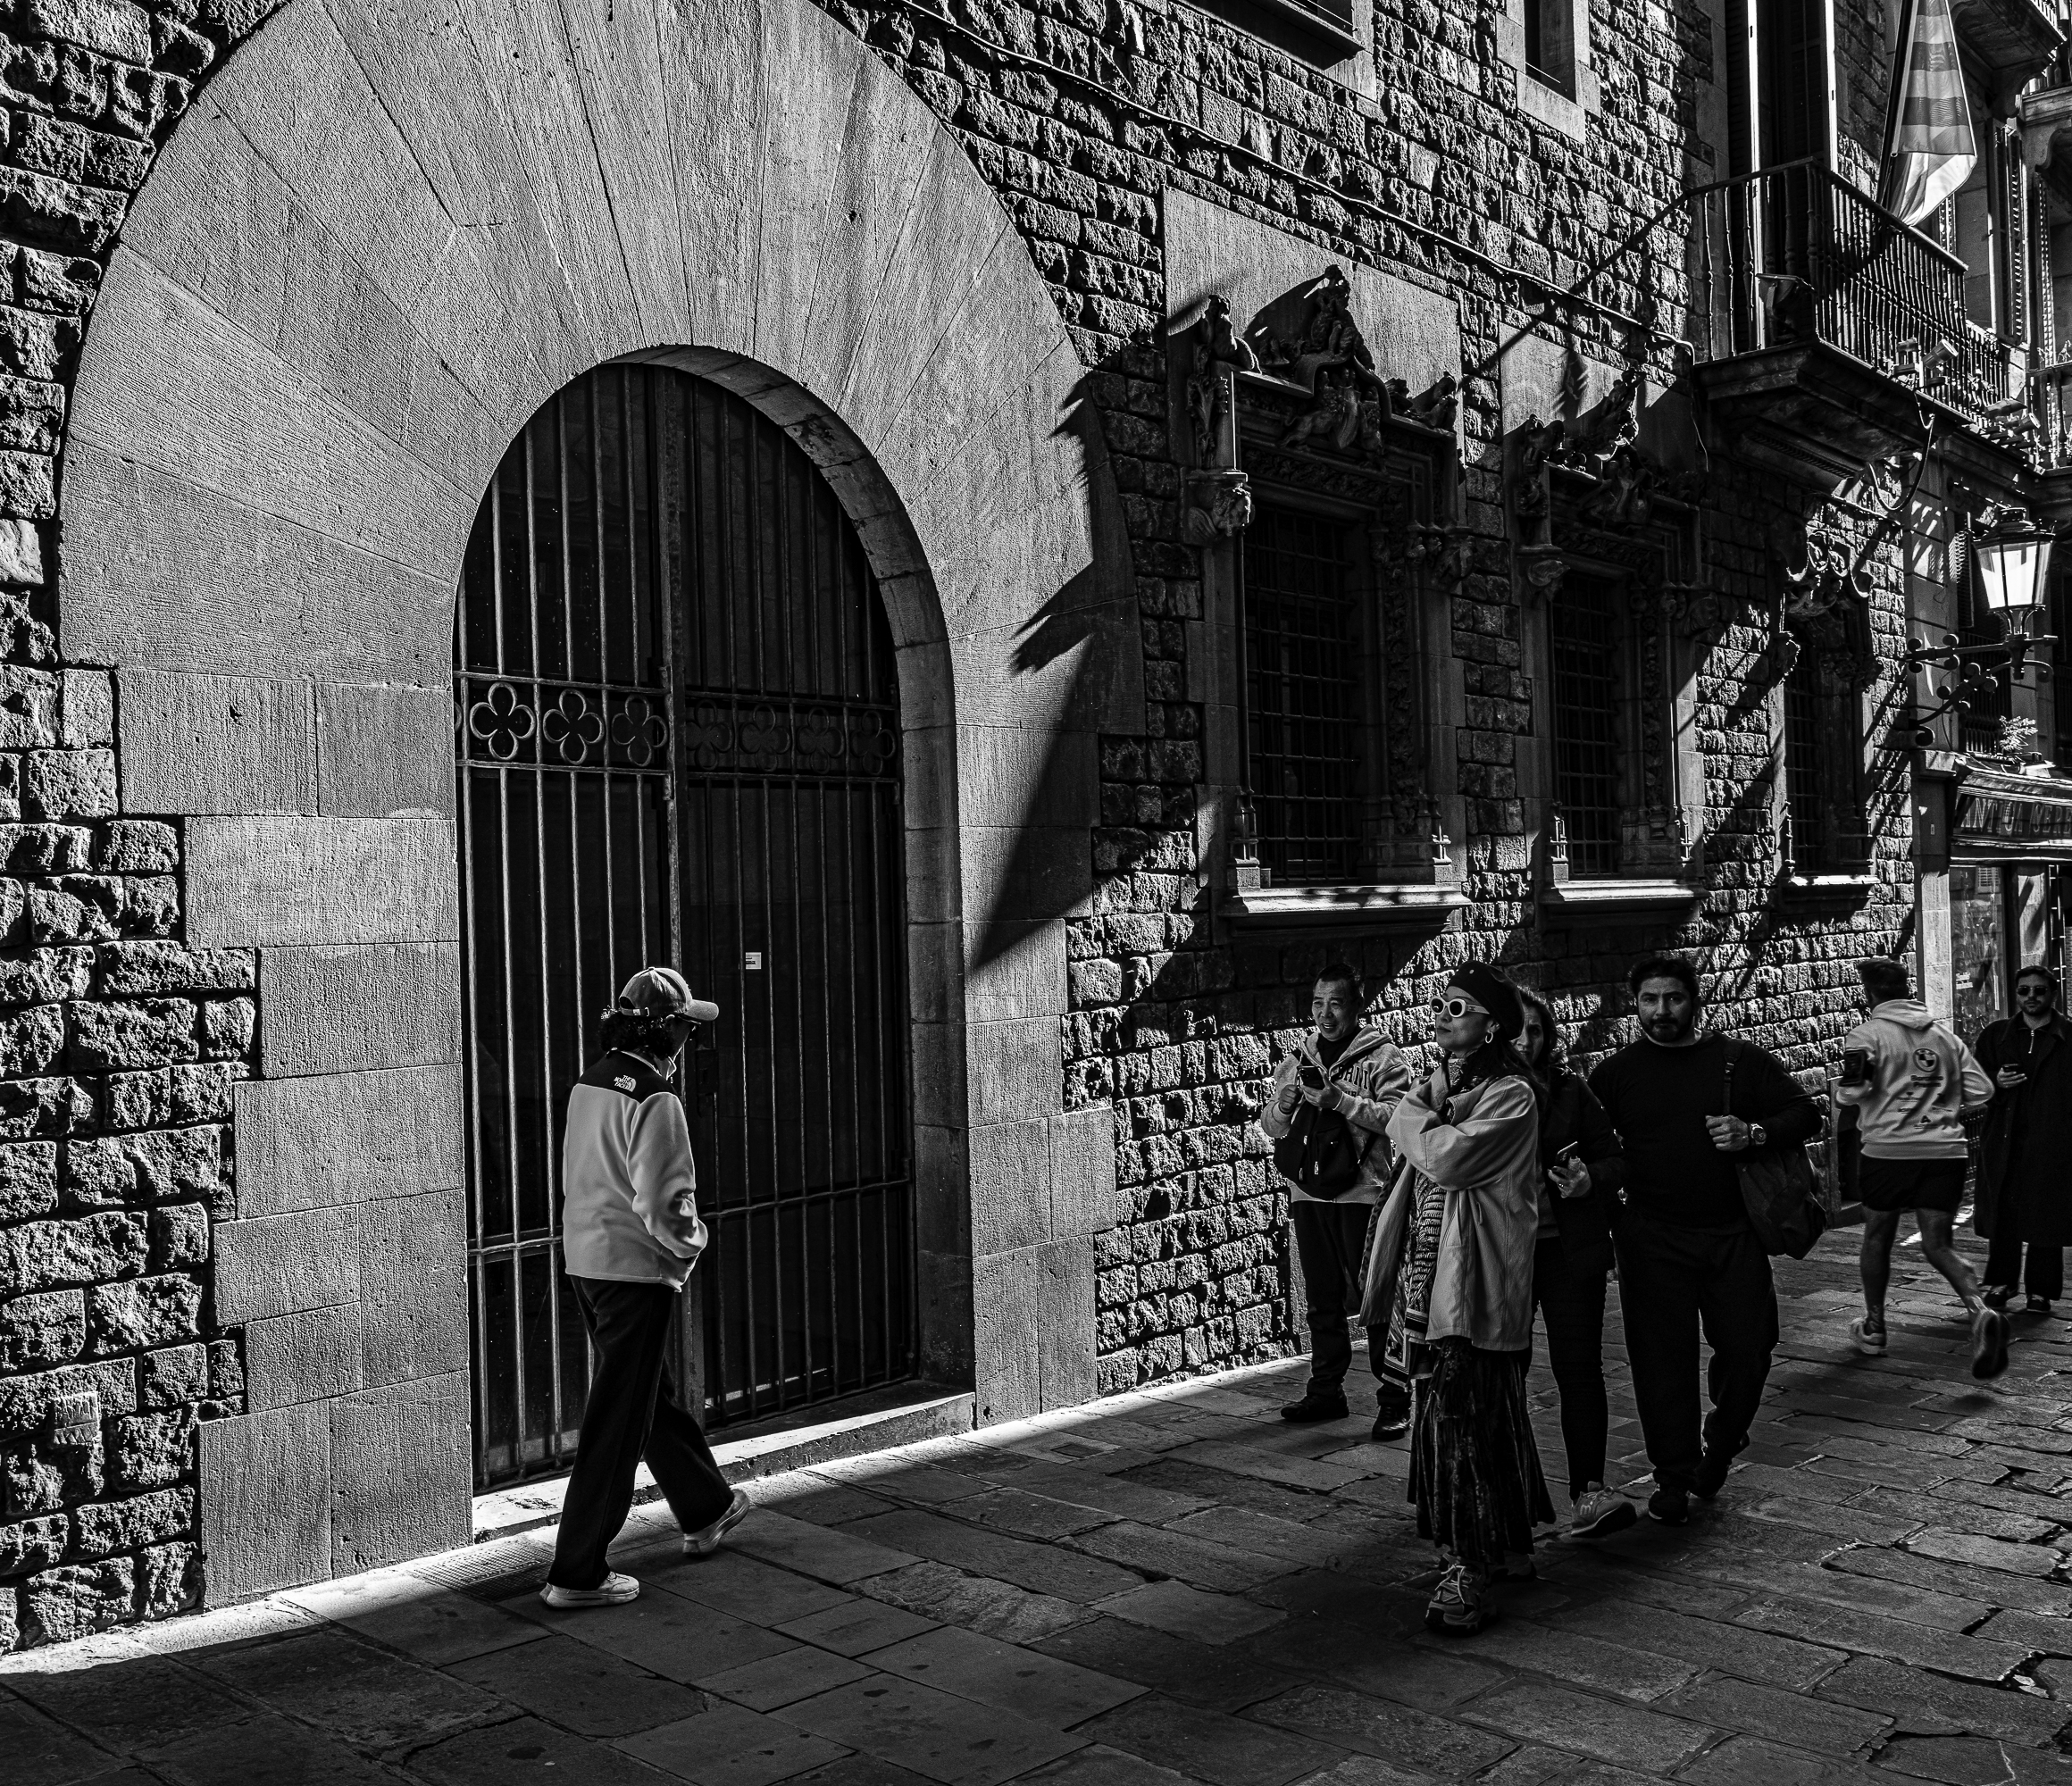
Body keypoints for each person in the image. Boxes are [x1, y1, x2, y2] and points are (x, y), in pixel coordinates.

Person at [540, 967, 750, 1610]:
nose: (690, 1038)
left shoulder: (591, 1081)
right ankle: (576, 1571)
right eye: (686, 1027)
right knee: (618, 1422)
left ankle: (705, 1506)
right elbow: (664, 1201)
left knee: (644, 1396)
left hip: (587, 1262)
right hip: (635, 1271)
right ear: (664, 1032)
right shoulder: (656, 1099)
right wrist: (691, 1245)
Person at [1588, 954, 1818, 1528]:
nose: (1661, 1010)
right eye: (1650, 1000)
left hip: (1732, 1236)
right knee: (1660, 1363)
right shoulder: (1616, 1074)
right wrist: (1610, 1215)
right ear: (1635, 1004)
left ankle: (1722, 1439)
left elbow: (1805, 1113)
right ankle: (1673, 1476)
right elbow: (1594, 1150)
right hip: (1651, 1239)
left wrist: (1753, 1133)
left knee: (1749, 1349)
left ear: (1695, 1001)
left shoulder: (1738, 1061)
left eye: (1673, 998)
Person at [1359, 963, 1550, 1636]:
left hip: (1475, 1286)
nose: (1442, 1015)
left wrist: (1412, 1111)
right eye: (1442, 1004)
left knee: (1463, 1423)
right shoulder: (1448, 1088)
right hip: (1434, 1280)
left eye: (1459, 1007)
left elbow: (1445, 1157)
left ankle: (1468, 1566)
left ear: (1492, 1026)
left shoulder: (1511, 1097)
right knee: (1478, 1417)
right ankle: (1506, 1545)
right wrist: (1426, 1104)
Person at [1258, 962, 1412, 1436]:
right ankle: (1326, 1391)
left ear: (1357, 1006)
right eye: (1318, 1003)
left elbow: (1399, 1121)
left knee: (1377, 1298)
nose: (1325, 1014)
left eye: (1336, 1004)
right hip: (1308, 1194)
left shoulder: (1384, 1060)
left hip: (1363, 1196)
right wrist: (1282, 1107)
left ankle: (1395, 1398)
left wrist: (1340, 1102)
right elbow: (1272, 1128)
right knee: (1322, 1298)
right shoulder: (1298, 1059)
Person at [1832, 956, 2001, 1374]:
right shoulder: (1945, 1037)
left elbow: (1853, 1092)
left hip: (1887, 1153)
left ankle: (1875, 1328)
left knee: (1877, 1238)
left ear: (1870, 994)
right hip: (1945, 1154)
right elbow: (1982, 1090)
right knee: (1939, 1245)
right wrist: (1941, 1102)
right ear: (1906, 989)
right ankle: (1979, 1310)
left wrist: (1849, 1093)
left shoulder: (1867, 1034)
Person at [1516, 985, 1635, 1538]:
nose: (1526, 1040)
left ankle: (1590, 1490)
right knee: (1504, 1374)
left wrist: (1589, 1179)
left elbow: (1614, 1158)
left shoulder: (1570, 1092)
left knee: (1579, 1368)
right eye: (1515, 1029)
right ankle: (1511, 1493)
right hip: (1503, 1254)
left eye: (1536, 1029)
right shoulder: (1469, 1092)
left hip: (1568, 1250)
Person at [1974, 964, 2072, 1316]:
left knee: (2046, 1214)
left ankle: (2041, 1291)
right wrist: (1995, 1083)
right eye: (2024, 990)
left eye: (2039, 991)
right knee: (2005, 1210)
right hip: (2005, 1138)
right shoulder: (1996, 1035)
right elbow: (1974, 1083)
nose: (2031, 997)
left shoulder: (2068, 1036)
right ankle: (2001, 1282)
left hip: (2053, 1141)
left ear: (2053, 994)